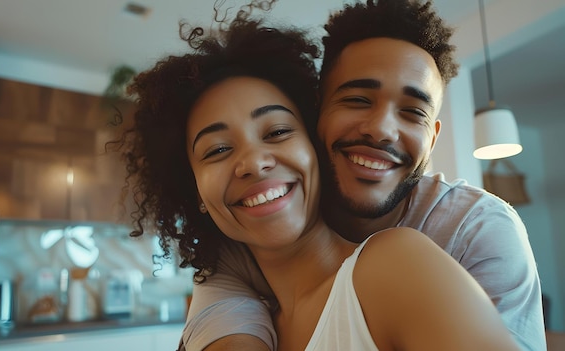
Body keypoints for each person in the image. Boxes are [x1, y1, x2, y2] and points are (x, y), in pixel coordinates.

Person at [118, 12, 520, 351]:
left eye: (276, 132)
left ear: (314, 144)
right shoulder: (228, 294)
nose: (254, 163)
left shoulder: (398, 263)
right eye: (217, 150)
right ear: (194, 189)